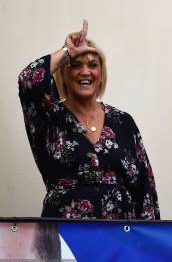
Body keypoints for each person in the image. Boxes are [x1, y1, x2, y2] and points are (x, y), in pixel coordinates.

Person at [18, 20, 160, 219]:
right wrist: (67, 51)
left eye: (93, 65)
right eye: (76, 65)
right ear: (64, 74)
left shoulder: (123, 122)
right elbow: (29, 80)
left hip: (119, 240)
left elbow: (145, 192)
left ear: (101, 75)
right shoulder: (49, 118)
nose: (85, 72)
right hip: (66, 240)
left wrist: (146, 246)